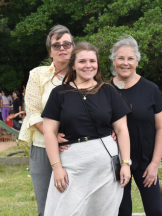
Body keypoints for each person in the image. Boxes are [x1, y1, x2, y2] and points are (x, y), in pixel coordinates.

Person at [42, 42, 131, 215]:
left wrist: (126, 163)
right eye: (82, 61)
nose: (88, 65)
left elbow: (122, 130)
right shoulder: (59, 94)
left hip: (105, 167)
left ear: (97, 64)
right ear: (73, 65)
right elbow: (49, 132)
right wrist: (57, 167)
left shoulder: (108, 91)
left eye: (92, 61)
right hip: (72, 166)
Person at [18, 25, 74, 216]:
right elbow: (32, 112)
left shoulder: (84, 72)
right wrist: (53, 135)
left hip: (74, 147)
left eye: (66, 44)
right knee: (46, 207)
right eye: (56, 45)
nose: (62, 48)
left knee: (73, 204)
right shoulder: (38, 74)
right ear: (50, 51)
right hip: (42, 147)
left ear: (73, 47)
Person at [108, 36, 162, 216]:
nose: (125, 63)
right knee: (121, 211)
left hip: (146, 160)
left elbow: (161, 128)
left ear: (137, 61)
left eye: (130, 58)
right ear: (113, 60)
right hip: (115, 162)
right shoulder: (104, 90)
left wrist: (155, 164)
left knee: (155, 210)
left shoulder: (151, 90)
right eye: (121, 58)